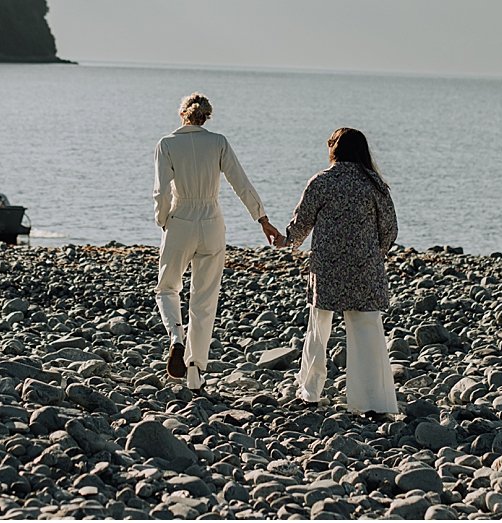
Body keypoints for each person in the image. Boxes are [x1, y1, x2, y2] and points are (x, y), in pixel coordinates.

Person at [155, 92, 283, 388]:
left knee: (167, 287)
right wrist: (262, 219)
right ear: (207, 117)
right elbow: (241, 182)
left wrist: (163, 220)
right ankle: (195, 370)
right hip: (212, 222)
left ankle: (176, 337)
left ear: (182, 114)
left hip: (181, 219)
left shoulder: (167, 144)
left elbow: (160, 191)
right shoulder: (218, 142)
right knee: (204, 298)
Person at [280, 127, 399, 416]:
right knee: (366, 330)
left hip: (327, 267)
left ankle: (310, 391)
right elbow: (390, 229)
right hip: (364, 267)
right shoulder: (374, 185)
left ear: (335, 149)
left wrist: (286, 240)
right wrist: (373, 254)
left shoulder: (322, 181)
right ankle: (372, 402)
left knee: (318, 328)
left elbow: (301, 224)